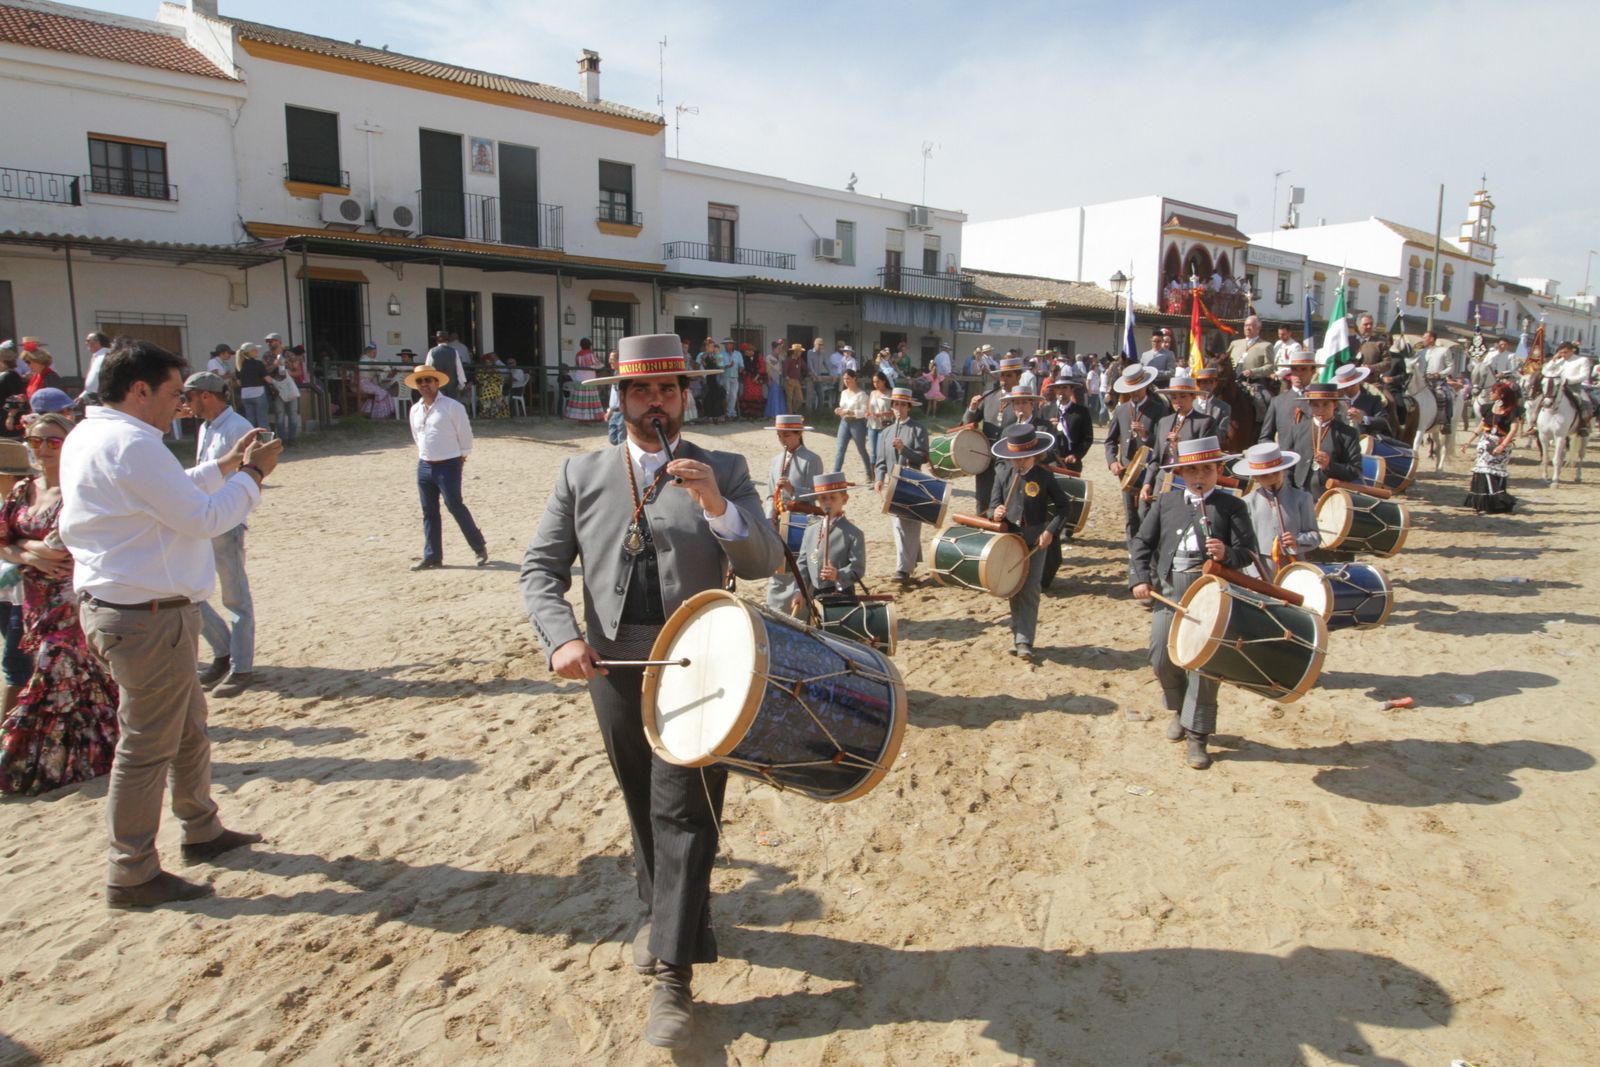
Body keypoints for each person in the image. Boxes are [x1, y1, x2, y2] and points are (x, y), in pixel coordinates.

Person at [520, 334, 783, 1050]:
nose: (657, 402)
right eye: (642, 390)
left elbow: (763, 560)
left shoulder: (724, 467)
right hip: (611, 666)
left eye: (669, 389)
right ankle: (669, 915)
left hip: (702, 663)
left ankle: (672, 972)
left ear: (684, 397)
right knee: (644, 803)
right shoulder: (581, 473)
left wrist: (717, 507)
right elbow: (538, 570)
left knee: (686, 809)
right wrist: (560, 638)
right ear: (621, 398)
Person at [59, 339, 281, 906]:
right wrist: (252, 476)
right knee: (146, 745)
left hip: (135, 609)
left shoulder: (92, 433)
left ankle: (201, 828)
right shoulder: (132, 444)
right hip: (145, 617)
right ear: (140, 390)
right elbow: (202, 517)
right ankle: (130, 870)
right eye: (172, 393)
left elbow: (167, 494)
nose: (180, 404)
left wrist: (224, 466)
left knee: (186, 729)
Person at [0, 412, 121, 795]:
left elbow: (61, 551)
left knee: (54, 675)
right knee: (79, 683)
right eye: (36, 441)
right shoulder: (23, 491)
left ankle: (19, 762)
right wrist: (28, 555)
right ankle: (92, 756)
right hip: (33, 600)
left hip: (71, 602)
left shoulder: (79, 490)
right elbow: (4, 538)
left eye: (53, 442)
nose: (44, 449)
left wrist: (27, 549)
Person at [1129, 436, 1256, 770]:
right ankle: (1179, 711)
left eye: (1206, 469)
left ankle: (1198, 736)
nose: (1199, 476)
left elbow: (1248, 552)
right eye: (1191, 470)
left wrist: (1228, 553)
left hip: (1211, 596)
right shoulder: (1166, 503)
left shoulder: (1233, 507)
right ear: (1181, 472)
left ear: (1218, 470)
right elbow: (1142, 542)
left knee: (1204, 665)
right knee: (1160, 655)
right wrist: (1140, 578)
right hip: (1168, 592)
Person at [183, 372, 258, 698]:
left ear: (206, 396)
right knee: (191, 592)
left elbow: (249, 474)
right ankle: (224, 650)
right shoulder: (207, 427)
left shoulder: (237, 428)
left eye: (189, 397)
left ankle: (241, 666)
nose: (186, 404)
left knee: (234, 596)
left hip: (225, 520)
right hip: (204, 516)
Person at [987, 424, 1073, 661]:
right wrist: (995, 512)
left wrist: (1050, 531)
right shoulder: (1004, 473)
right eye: (1015, 458)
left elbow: (1064, 507)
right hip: (1010, 537)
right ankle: (1017, 633)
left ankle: (1025, 640)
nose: (1018, 463)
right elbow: (991, 506)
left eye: (1022, 458)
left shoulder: (1044, 476)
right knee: (1013, 586)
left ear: (1034, 455)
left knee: (1031, 588)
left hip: (1036, 538)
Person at [406, 366, 488, 571]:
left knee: (455, 505)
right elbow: (417, 436)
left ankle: (478, 546)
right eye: (420, 381)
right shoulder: (415, 409)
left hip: (449, 464)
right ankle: (432, 555)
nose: (424, 384)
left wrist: (462, 456)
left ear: (437, 382)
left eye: (428, 380)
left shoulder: (452, 407)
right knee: (429, 511)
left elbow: (465, 434)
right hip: (425, 464)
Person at [764, 413, 821, 613]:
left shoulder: (811, 459)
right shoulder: (775, 460)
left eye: (786, 435)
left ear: (798, 434)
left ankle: (801, 609)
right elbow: (770, 493)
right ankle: (776, 609)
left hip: (801, 521)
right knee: (778, 567)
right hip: (779, 521)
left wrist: (792, 490)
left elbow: (817, 494)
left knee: (800, 567)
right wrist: (770, 516)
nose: (782, 439)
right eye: (779, 435)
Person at [1235, 442, 1319, 575]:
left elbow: (1315, 536)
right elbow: (1246, 546)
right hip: (1262, 569)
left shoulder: (1302, 498)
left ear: (1283, 470)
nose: (1271, 478)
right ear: (1255, 477)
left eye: (1275, 472)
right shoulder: (1247, 503)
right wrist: (1255, 576)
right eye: (1264, 475)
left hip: (1294, 566)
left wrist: (1297, 541)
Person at [873, 386, 930, 583]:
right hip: (893, 483)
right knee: (899, 525)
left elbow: (922, 457)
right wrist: (879, 478)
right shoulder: (885, 432)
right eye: (895, 403)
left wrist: (904, 449)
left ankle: (903, 569)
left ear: (908, 407)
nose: (898, 407)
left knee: (910, 526)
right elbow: (880, 460)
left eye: (901, 404)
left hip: (914, 482)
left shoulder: (918, 429)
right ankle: (906, 566)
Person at [1105, 364, 1164, 542]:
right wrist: (1112, 461)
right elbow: (1110, 441)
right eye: (1132, 390)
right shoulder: (1121, 410)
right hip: (1126, 470)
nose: (1135, 393)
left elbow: (1162, 443)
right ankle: (1133, 553)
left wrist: (1146, 435)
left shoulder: (1158, 409)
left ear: (1145, 386)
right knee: (1130, 515)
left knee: (1145, 512)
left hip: (1149, 469)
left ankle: (1146, 548)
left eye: (1138, 389)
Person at [791, 470, 865, 611]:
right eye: (823, 498)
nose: (828, 502)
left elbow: (858, 568)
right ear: (818, 501)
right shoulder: (810, 530)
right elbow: (802, 565)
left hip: (842, 596)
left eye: (833, 498)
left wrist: (838, 574)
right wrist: (798, 590)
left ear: (844, 499)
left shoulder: (854, 533)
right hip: (815, 596)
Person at [962, 355, 1023, 520]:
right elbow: (968, 423)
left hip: (1010, 460)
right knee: (982, 500)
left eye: (1009, 375)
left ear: (1019, 377)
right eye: (1002, 375)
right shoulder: (988, 396)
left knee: (1006, 500)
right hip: (986, 459)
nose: (1004, 379)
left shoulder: (1022, 400)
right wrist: (972, 408)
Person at [1142, 372, 1219, 502]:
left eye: (1183, 397)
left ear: (1193, 397)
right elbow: (1156, 458)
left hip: (1187, 481)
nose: (1178, 402)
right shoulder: (1164, 422)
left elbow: (1205, 459)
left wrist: (1180, 445)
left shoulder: (1204, 422)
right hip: (1162, 478)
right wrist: (1147, 483)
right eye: (1174, 398)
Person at [0, 442, 34, 715]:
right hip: (6, 596)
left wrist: (19, 555)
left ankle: (6, 740)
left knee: (15, 664)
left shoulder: (29, 509)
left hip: (26, 595)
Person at [1285, 382, 1362, 495]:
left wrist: (1329, 465)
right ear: (1309, 404)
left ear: (1334, 404)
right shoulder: (1297, 429)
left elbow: (1355, 471)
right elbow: (1288, 463)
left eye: (1326, 404)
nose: (1321, 409)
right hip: (1298, 492)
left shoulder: (1348, 434)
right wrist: (1287, 488)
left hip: (1330, 495)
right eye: (1315, 405)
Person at [1464, 380, 1523, 514]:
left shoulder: (1512, 410)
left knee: (1493, 471)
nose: (1490, 393)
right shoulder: (1488, 407)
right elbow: (1482, 425)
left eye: (1494, 392)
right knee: (1482, 471)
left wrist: (1503, 445)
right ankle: (1484, 504)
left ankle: (1497, 501)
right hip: (1485, 443)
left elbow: (1513, 430)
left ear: (1501, 395)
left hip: (1500, 444)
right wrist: (1469, 441)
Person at [1259, 352, 1316, 446]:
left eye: (1304, 369)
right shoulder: (1277, 402)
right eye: (1295, 369)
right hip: (1285, 458)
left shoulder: (1322, 401)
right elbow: (1265, 438)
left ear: (1313, 371)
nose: (1299, 374)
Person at [832, 368, 872, 482]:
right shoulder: (844, 393)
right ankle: (835, 475)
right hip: (844, 422)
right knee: (840, 449)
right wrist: (839, 410)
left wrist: (849, 412)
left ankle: (869, 473)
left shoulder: (862, 394)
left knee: (861, 449)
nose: (846, 381)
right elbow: (842, 407)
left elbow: (864, 412)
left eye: (848, 378)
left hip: (857, 423)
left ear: (854, 378)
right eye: (844, 379)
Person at [563, 338, 605, 422]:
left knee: (580, 398)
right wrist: (600, 366)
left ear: (581, 345)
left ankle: (580, 418)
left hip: (579, 377)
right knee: (589, 397)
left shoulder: (578, 354)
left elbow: (577, 365)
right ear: (589, 345)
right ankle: (588, 418)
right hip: (589, 377)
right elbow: (597, 364)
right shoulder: (590, 354)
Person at [234, 342, 271, 428]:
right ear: (250, 352)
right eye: (255, 350)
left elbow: (239, 382)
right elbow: (268, 379)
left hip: (246, 394)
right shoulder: (258, 364)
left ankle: (251, 439)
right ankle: (264, 440)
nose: (257, 351)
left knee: (250, 420)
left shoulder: (239, 365)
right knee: (262, 420)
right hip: (259, 393)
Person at [1193, 364, 1233, 442]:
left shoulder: (1224, 407)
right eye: (1204, 382)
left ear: (1215, 384)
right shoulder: (1190, 405)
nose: (1208, 386)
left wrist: (1211, 423)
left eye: (1211, 382)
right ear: (1198, 384)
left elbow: (1222, 436)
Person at [426, 332, 468, 403]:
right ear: (447, 341)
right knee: (451, 406)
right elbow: (459, 369)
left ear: (436, 340)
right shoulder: (454, 352)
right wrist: (461, 384)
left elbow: (428, 369)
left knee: (439, 405)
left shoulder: (432, 352)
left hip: (437, 385)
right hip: (452, 385)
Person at [357, 341, 394, 419]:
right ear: (369, 352)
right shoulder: (368, 360)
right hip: (364, 385)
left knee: (379, 391)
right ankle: (379, 415)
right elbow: (381, 366)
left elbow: (376, 369)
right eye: (374, 352)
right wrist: (388, 369)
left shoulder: (365, 360)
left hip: (364, 384)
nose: (375, 354)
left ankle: (368, 412)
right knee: (382, 392)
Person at [865, 370, 895, 465]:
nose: (875, 384)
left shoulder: (890, 393)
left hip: (886, 426)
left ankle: (882, 471)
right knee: (872, 451)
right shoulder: (873, 393)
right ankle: (873, 474)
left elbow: (894, 412)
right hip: (872, 425)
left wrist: (882, 414)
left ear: (884, 381)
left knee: (882, 451)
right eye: (874, 382)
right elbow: (869, 408)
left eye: (878, 381)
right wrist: (867, 414)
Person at [82, 331, 111, 400]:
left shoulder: (107, 356)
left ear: (97, 342)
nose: (86, 343)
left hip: (101, 397)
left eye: (88, 340)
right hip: (92, 396)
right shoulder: (97, 356)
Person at [805, 338, 832, 412]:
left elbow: (826, 363)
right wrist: (815, 375)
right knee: (810, 396)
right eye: (819, 345)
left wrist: (831, 373)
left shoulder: (823, 353)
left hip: (819, 376)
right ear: (815, 344)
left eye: (822, 345)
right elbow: (810, 365)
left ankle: (818, 413)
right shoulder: (810, 352)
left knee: (821, 395)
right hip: (811, 376)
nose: (821, 346)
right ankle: (808, 413)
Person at [780, 343, 807, 413]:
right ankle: (790, 414)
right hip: (789, 380)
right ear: (795, 352)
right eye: (799, 351)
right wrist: (787, 378)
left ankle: (794, 411)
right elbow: (784, 371)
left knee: (800, 399)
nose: (800, 353)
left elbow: (805, 368)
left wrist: (810, 373)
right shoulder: (788, 360)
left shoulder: (800, 360)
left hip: (797, 380)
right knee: (790, 399)